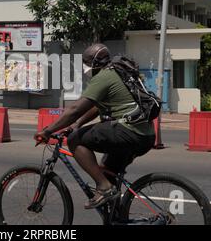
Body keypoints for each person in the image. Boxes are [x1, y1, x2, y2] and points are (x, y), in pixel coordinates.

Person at [34, 44, 156, 209]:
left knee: (75, 140)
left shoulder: (104, 76)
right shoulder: (118, 72)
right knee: (107, 172)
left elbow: (76, 109)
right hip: (145, 135)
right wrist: (78, 124)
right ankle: (116, 215)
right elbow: (97, 107)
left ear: (94, 64)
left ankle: (104, 188)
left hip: (129, 132)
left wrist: (48, 130)